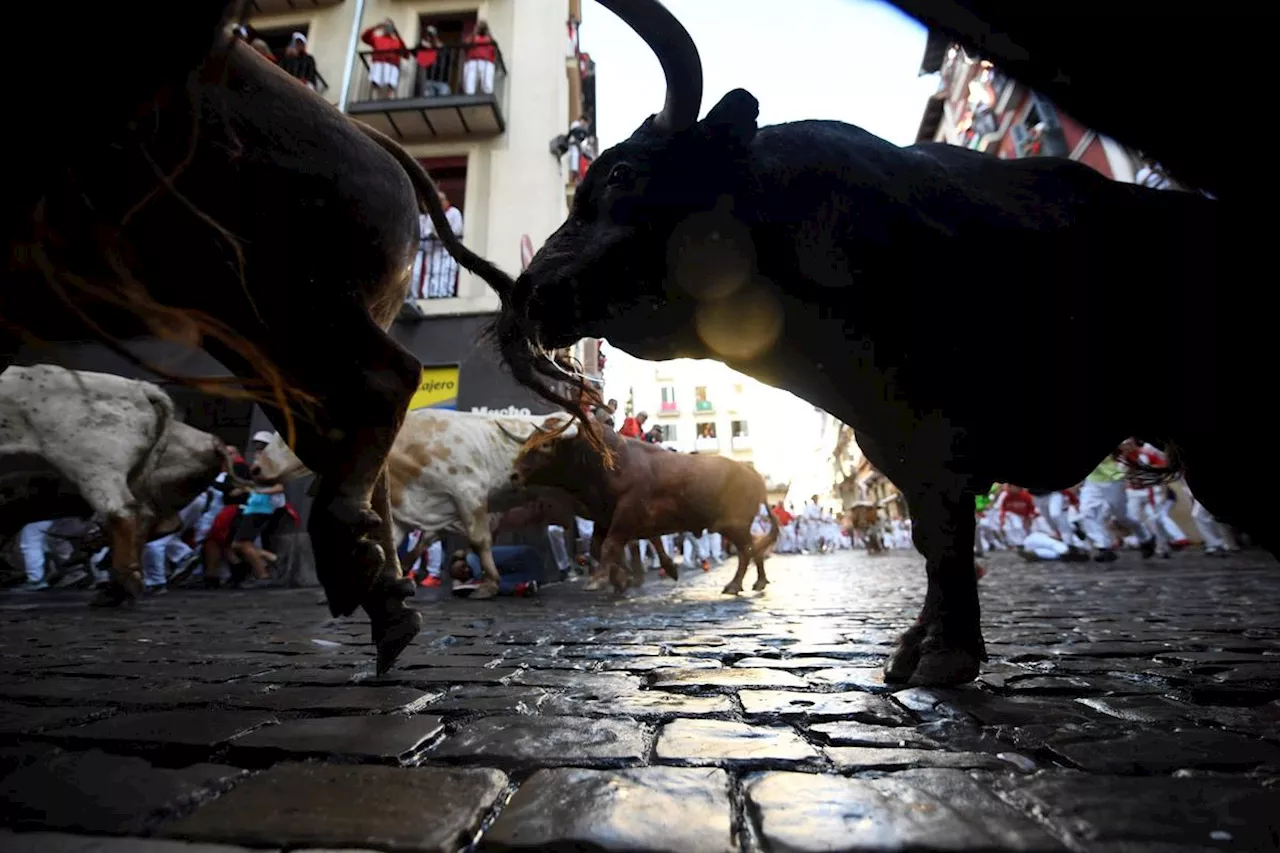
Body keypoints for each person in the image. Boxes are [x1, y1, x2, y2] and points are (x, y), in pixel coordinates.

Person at [412, 190, 463, 298]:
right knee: (431, 273)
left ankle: (443, 295)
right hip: (434, 252)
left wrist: (439, 235)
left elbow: (457, 231)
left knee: (445, 274)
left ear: (445, 200)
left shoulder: (454, 213)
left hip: (448, 252)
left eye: (440, 201)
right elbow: (426, 231)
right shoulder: (432, 216)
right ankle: (429, 295)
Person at [447, 548, 539, 596]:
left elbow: (478, 575)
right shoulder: (474, 574)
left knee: (485, 583)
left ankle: (522, 588)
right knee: (489, 584)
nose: (466, 570)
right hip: (530, 575)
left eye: (463, 566)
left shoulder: (471, 557)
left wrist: (466, 583)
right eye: (463, 574)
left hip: (527, 558)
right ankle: (523, 588)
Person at [361, 19, 406, 99]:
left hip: (392, 64)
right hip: (378, 62)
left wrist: (397, 34)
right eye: (386, 26)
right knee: (375, 82)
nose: (388, 28)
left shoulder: (397, 41)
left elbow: (405, 52)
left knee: (391, 84)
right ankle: (373, 100)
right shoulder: (377, 39)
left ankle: (391, 99)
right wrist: (376, 26)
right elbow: (364, 37)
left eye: (390, 26)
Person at [463, 20, 497, 95]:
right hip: (472, 61)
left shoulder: (489, 38)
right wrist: (474, 32)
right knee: (470, 83)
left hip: (486, 62)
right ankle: (469, 97)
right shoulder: (473, 37)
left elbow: (494, 49)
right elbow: (466, 45)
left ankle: (487, 96)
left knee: (487, 84)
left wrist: (488, 32)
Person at [413, 26, 449, 97]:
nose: (430, 37)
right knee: (429, 102)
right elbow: (415, 53)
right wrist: (422, 43)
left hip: (442, 81)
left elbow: (446, 56)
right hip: (429, 80)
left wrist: (437, 46)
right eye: (428, 35)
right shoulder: (427, 48)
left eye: (432, 35)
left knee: (443, 103)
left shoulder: (442, 47)